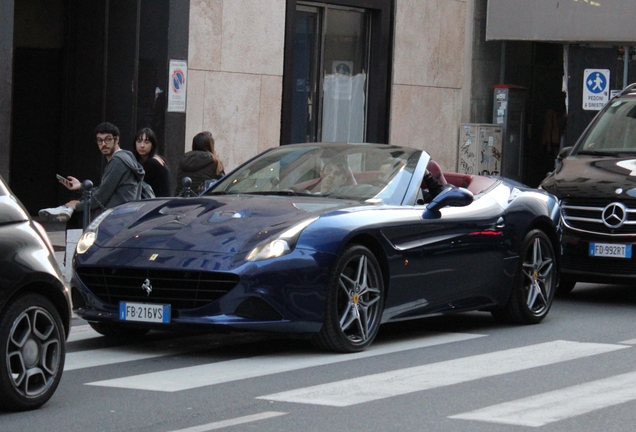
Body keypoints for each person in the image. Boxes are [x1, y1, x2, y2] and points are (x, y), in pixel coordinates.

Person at [39, 122, 145, 225]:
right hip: (125, 212)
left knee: (76, 217)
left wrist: (78, 206)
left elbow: (101, 196)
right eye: (100, 140)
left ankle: (67, 210)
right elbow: (105, 190)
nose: (103, 144)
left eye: (108, 139)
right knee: (83, 201)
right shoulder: (127, 156)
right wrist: (80, 186)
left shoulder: (117, 161)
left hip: (115, 215)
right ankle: (66, 209)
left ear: (116, 139)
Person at [175, 131, 225, 195]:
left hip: (180, 200)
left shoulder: (184, 159)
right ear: (210, 146)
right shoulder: (214, 161)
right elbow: (222, 183)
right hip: (202, 201)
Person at [132, 127, 171, 197]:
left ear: (152, 145)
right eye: (139, 141)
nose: (142, 146)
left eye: (146, 142)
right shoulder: (159, 159)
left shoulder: (152, 163)